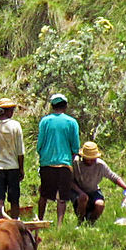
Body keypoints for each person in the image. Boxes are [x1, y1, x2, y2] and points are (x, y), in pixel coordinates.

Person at [36, 93, 80, 227]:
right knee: (62, 197)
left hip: (47, 163)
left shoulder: (45, 121)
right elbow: (75, 146)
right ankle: (59, 225)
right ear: (65, 106)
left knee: (44, 194)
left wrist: (43, 155)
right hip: (64, 163)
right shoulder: (71, 122)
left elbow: (40, 144)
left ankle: (40, 220)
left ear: (52, 106)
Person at [71, 141, 126, 224]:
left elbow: (113, 177)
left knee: (100, 204)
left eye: (92, 159)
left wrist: (125, 187)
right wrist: (80, 192)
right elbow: (69, 181)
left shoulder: (100, 165)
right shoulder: (76, 164)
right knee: (83, 198)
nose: (90, 161)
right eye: (87, 159)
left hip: (94, 190)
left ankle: (90, 223)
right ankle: (80, 221)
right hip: (79, 191)